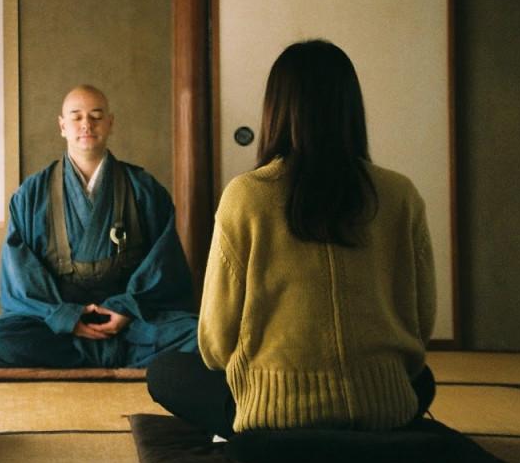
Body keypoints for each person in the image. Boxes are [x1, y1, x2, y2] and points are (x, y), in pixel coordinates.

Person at [147, 40, 436, 438]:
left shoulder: (247, 195)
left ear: (276, 110)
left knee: (164, 371)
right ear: (351, 108)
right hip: (384, 412)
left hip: (274, 423)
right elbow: (421, 321)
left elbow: (215, 342)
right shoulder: (400, 194)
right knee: (423, 381)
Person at [0, 85, 198, 370]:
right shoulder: (32, 194)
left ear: (110, 123)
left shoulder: (144, 189)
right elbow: (21, 276)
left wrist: (126, 309)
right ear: (62, 126)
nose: (87, 125)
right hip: (57, 327)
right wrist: (67, 317)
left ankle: (90, 355)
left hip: (130, 324)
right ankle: (110, 355)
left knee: (196, 335)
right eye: (76, 117)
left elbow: (163, 265)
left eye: (96, 116)